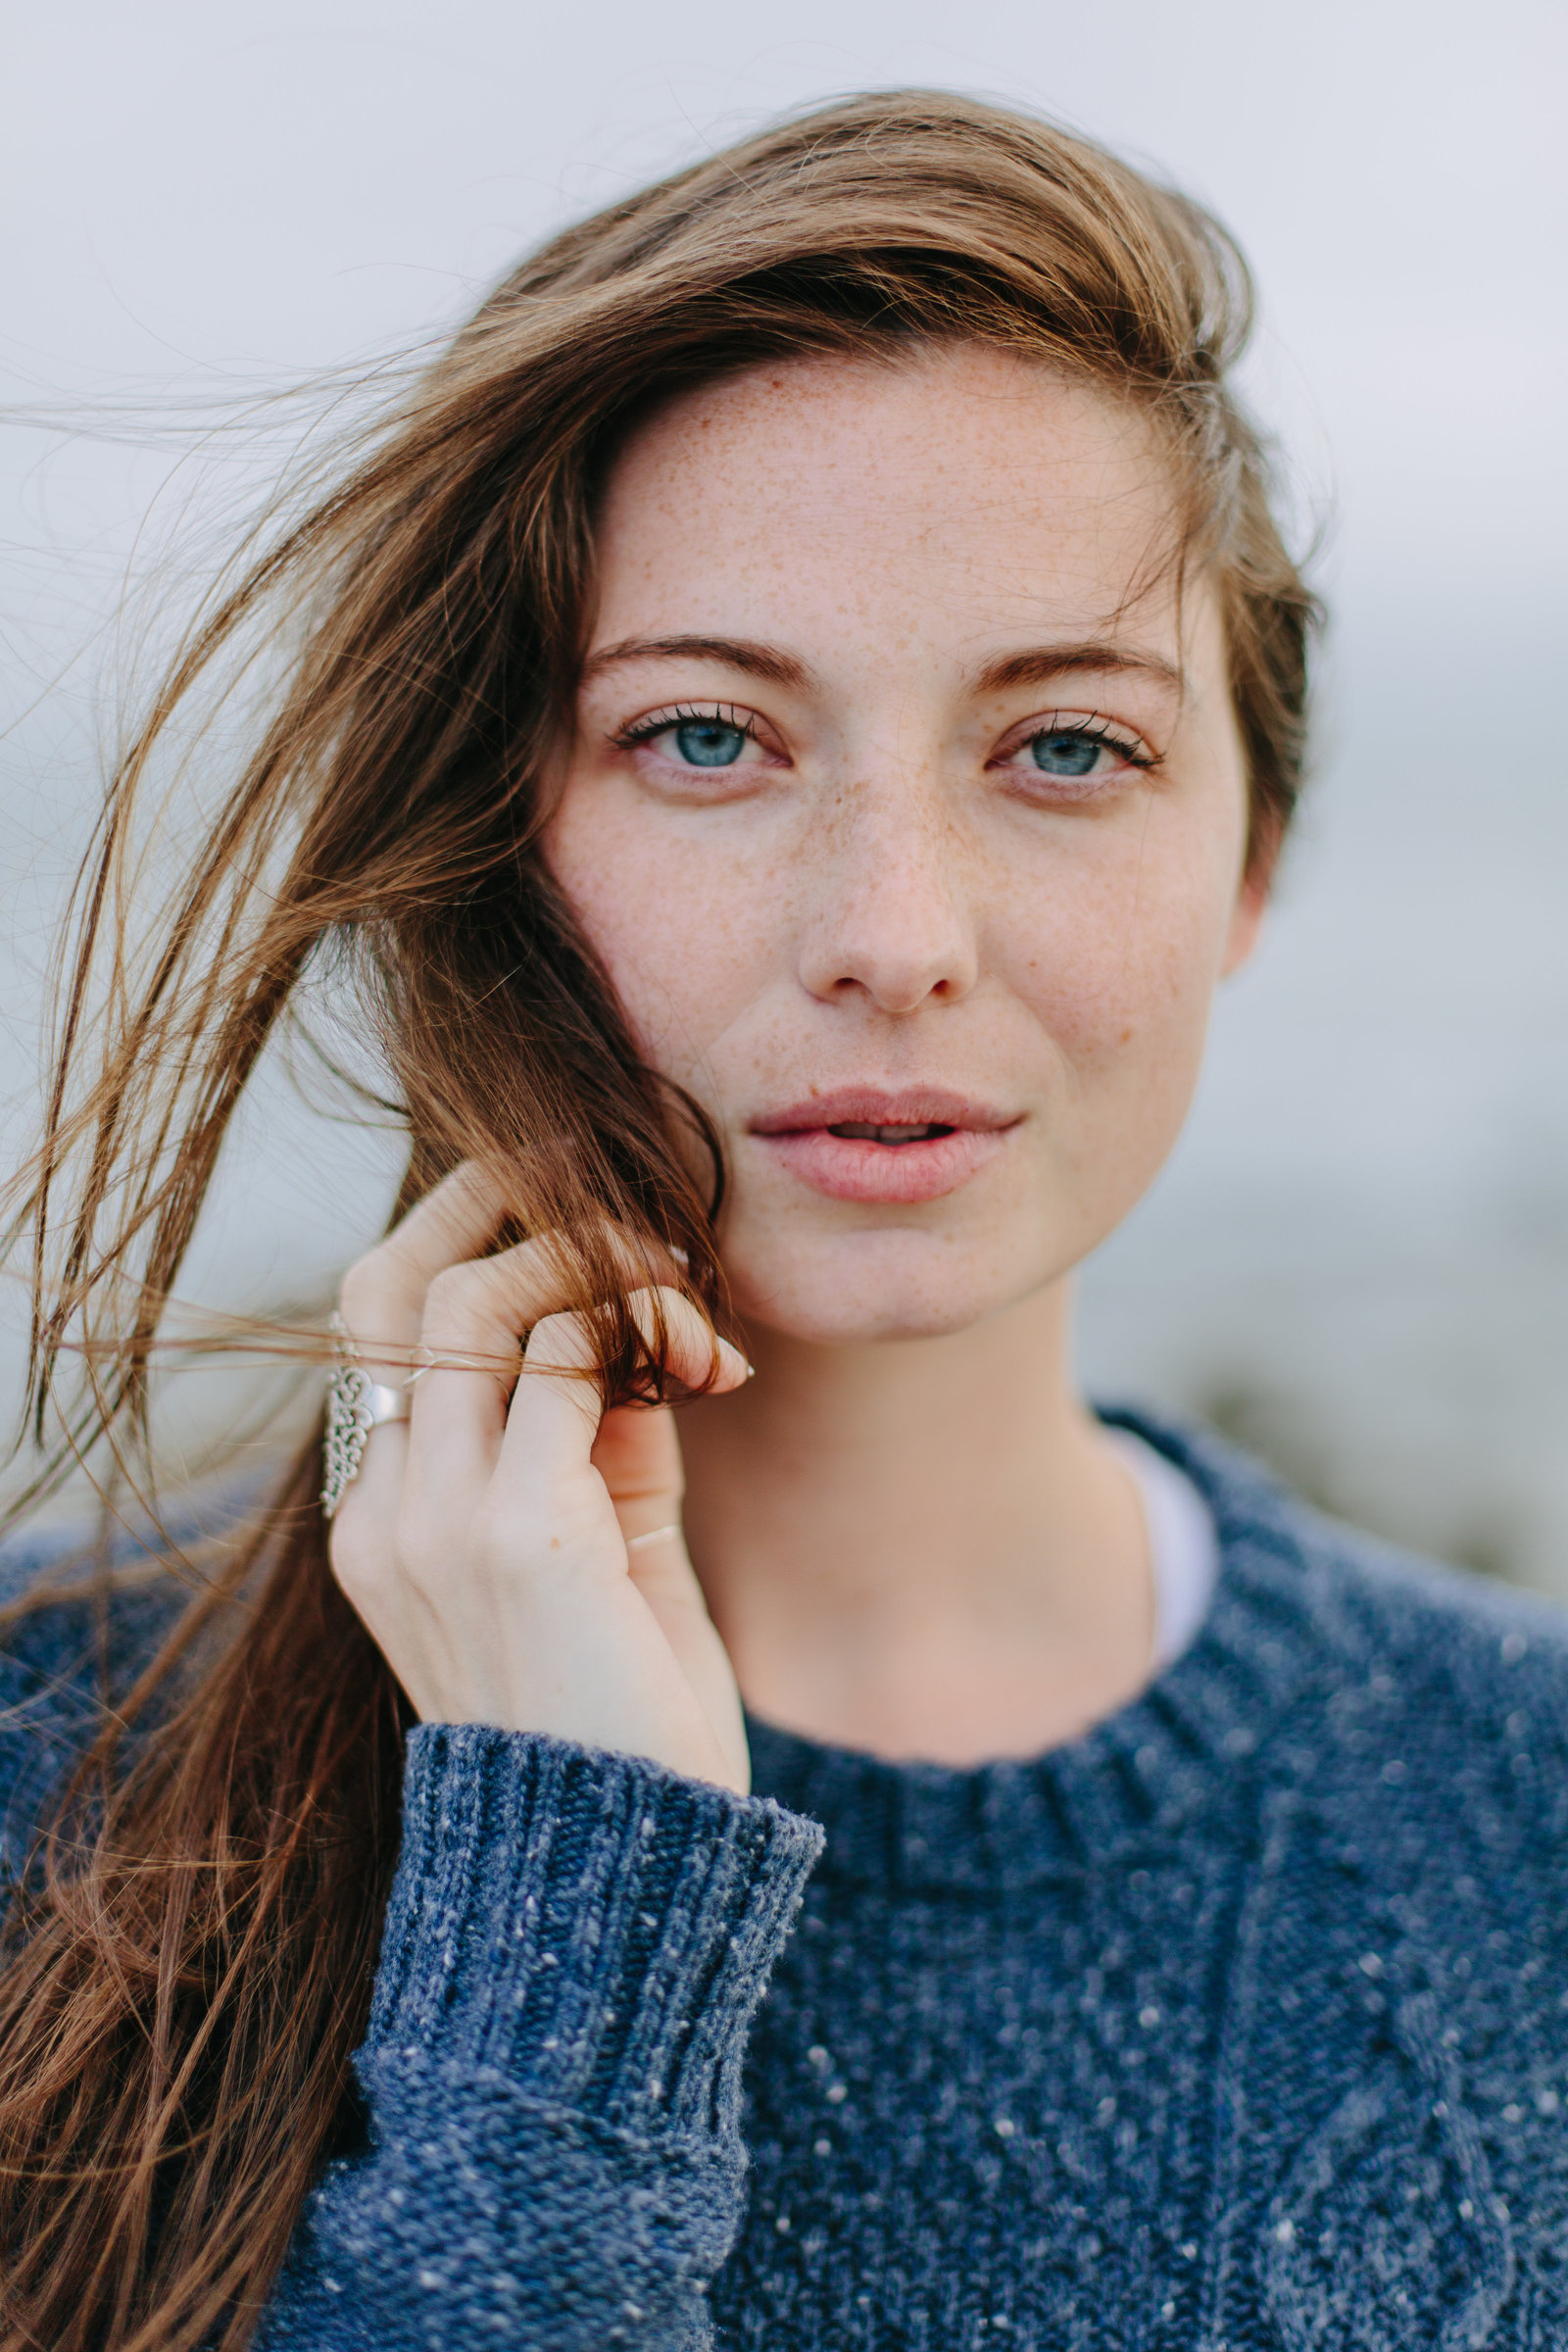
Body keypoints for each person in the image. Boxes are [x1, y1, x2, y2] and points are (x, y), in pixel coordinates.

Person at [0, 87, 1563, 2352]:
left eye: (1065, 750)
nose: (894, 933)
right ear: (488, 839)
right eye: (709, 740)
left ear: (1246, 864)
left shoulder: (1513, 1814)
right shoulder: (52, 1764)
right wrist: (563, 1903)